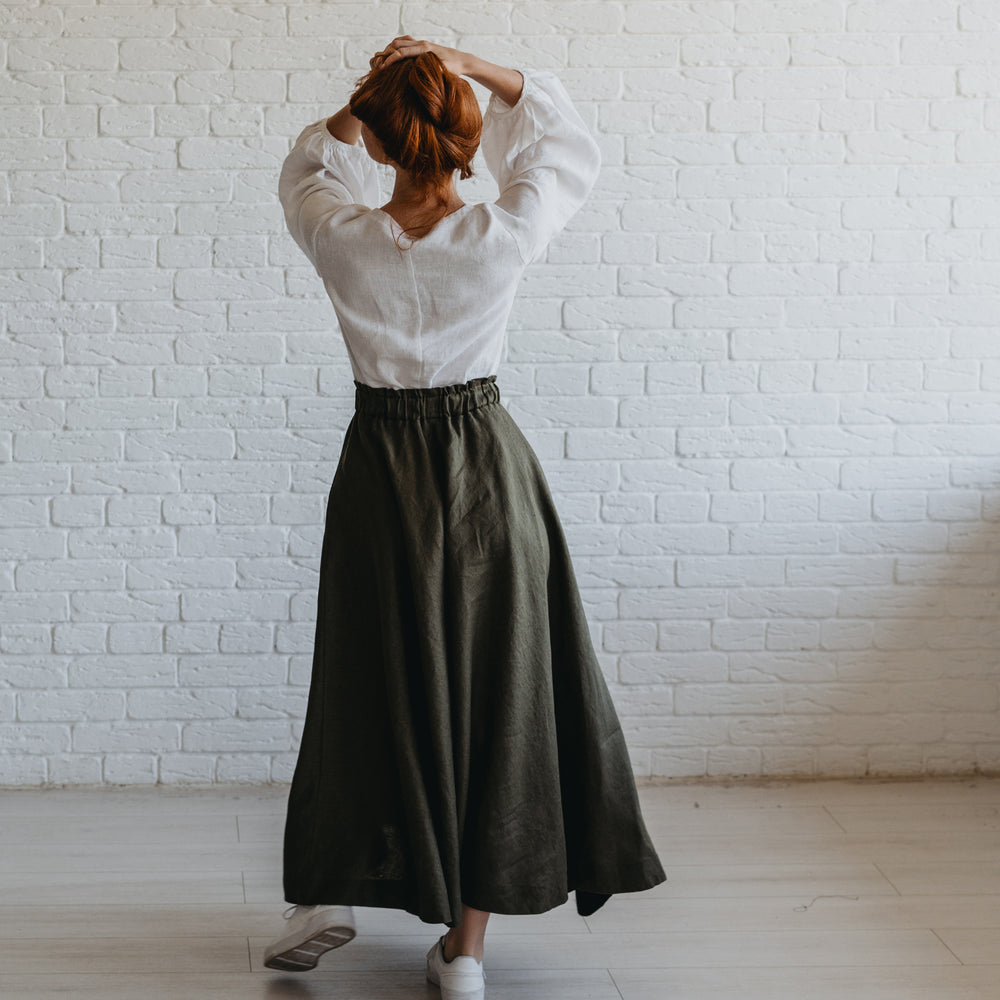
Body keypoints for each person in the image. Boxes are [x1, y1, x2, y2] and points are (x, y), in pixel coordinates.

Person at [263, 36, 667, 999]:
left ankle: (331, 889)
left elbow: (305, 165)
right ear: (463, 139)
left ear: (387, 139)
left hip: (379, 480)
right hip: (486, 474)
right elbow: (565, 144)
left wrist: (361, 106)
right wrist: (470, 62)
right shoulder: (503, 236)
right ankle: (466, 956)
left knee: (371, 678)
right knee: (497, 700)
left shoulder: (339, 235)